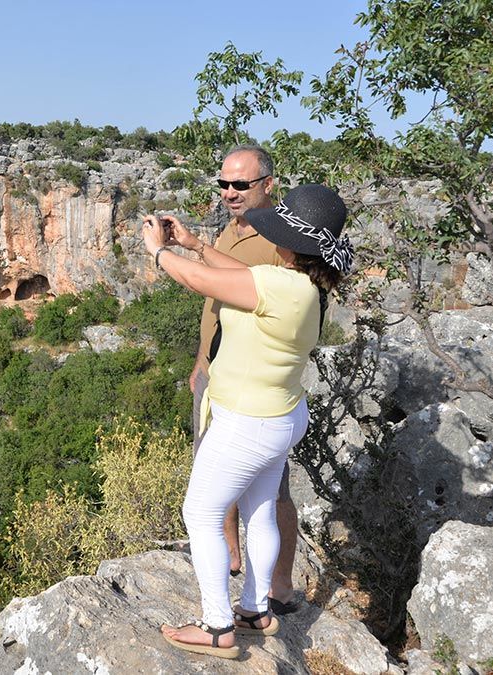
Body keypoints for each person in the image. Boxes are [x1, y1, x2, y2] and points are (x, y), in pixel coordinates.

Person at [143, 184, 353, 658]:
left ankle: (218, 626)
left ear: (295, 242)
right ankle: (256, 609)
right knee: (260, 511)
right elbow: (244, 274)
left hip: (247, 422)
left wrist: (159, 253)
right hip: (281, 415)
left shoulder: (279, 286)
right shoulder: (306, 287)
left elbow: (201, 281)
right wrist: (196, 244)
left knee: (200, 513)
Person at [191, 145, 300, 613]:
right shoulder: (227, 232)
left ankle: (279, 587)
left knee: (272, 493)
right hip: (215, 374)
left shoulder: (282, 241)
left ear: (268, 185)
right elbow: (214, 304)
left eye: (241, 184)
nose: (230, 193)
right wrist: (200, 362)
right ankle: (231, 557)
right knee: (213, 472)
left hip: (255, 387)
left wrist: (167, 255)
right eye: (224, 184)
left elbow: (283, 305)